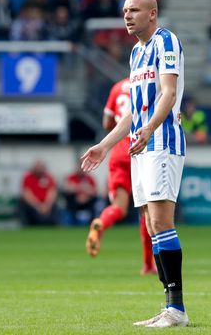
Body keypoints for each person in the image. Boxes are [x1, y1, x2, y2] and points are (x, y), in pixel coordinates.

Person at [81, 0, 189, 327]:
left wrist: (150, 129)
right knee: (152, 224)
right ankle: (170, 308)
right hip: (140, 145)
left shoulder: (165, 41)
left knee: (161, 221)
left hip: (162, 142)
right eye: (125, 10)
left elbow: (169, 94)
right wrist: (104, 144)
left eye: (134, 10)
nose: (127, 16)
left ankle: (176, 309)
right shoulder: (136, 53)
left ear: (152, 13)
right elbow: (132, 115)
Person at [85, 77, 157, 276]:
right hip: (139, 147)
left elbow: (107, 121)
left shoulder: (117, 87)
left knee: (118, 206)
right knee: (147, 210)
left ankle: (101, 222)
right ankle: (148, 264)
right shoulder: (147, 83)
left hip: (118, 150)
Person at [19, 160, 59, 226]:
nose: (39, 169)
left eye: (41, 167)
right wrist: (38, 206)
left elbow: (52, 192)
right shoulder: (28, 177)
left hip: (47, 205)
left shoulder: (49, 177)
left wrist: (47, 205)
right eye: (37, 167)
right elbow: (27, 194)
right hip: (33, 205)